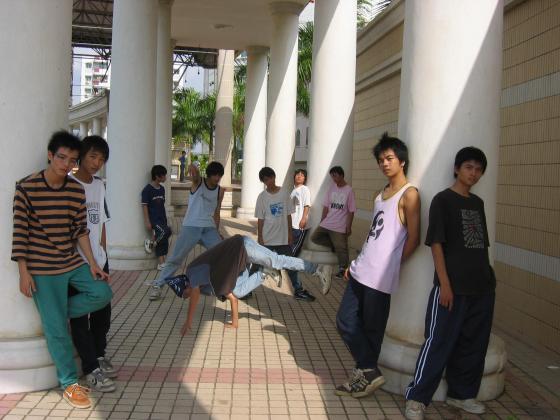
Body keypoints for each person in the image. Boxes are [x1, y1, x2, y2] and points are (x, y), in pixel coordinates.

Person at [12, 131, 112, 409]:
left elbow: (81, 230)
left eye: (71, 160)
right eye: (61, 157)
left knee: (102, 293)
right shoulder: (26, 187)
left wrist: (93, 264)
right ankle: (69, 383)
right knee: (57, 331)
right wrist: (23, 271)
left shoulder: (75, 189)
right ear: (50, 155)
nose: (66, 164)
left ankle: (53, 316)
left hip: (70, 261)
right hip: (42, 267)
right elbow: (20, 233)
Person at [405, 147, 495, 420]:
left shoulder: (478, 203)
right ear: (457, 169)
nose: (473, 173)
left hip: (481, 287)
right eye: (469, 167)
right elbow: (436, 244)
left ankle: (461, 395)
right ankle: (417, 398)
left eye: (478, 169)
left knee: (473, 344)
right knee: (438, 342)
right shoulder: (443, 200)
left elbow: (480, 245)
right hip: (452, 288)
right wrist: (444, 284)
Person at [335, 133, 421, 398]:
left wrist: (391, 263)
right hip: (361, 270)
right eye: (381, 159)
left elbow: (414, 238)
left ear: (402, 161)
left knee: (372, 331)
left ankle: (362, 377)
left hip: (380, 276)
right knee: (345, 321)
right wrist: (356, 262)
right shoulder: (380, 195)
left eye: (389, 158)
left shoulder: (410, 195)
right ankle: (369, 370)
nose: (385, 163)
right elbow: (374, 234)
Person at [161, 235, 332, 332]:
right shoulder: (205, 287)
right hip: (238, 261)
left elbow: (195, 295)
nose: (187, 297)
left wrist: (188, 322)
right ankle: (264, 272)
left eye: (185, 294)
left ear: (186, 285)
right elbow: (232, 297)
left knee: (277, 260)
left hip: (242, 246)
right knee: (238, 291)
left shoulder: (192, 273)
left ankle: (317, 269)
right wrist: (235, 323)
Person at [69, 135, 116, 393]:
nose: (97, 163)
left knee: (102, 313)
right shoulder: (69, 184)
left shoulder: (99, 185)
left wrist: (103, 255)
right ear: (81, 156)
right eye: (93, 156)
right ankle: (90, 369)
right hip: (77, 264)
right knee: (80, 317)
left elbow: (102, 223)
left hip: (99, 261)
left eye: (102, 159)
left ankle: (99, 354)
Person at [149, 161, 225, 300]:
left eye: (219, 175)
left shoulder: (220, 191)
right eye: (215, 175)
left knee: (223, 254)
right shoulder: (199, 182)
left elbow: (217, 212)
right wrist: (193, 166)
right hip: (191, 226)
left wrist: (217, 231)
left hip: (209, 228)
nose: (217, 178)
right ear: (209, 175)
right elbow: (194, 173)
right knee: (176, 258)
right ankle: (158, 286)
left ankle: (222, 287)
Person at [255, 167, 329, 301]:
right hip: (267, 239)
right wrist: (260, 236)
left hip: (283, 239)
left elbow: (288, 215)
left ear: (274, 177)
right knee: (257, 263)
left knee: (291, 266)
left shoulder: (284, 194)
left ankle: (298, 290)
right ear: (263, 182)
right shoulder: (262, 197)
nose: (268, 182)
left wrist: (289, 234)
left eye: (270, 178)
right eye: (265, 180)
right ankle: (245, 290)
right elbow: (260, 219)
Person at [310, 166, 356, 278]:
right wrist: (322, 220)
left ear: (341, 175)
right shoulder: (332, 188)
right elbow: (326, 206)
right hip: (327, 222)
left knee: (342, 248)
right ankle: (334, 245)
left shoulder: (349, 190)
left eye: (335, 176)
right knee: (314, 237)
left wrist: (349, 227)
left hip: (340, 225)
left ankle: (343, 270)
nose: (333, 179)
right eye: (332, 176)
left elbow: (351, 211)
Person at [142, 165, 172, 271]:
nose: (165, 177)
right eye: (164, 175)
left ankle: (152, 243)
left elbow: (162, 205)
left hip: (162, 218)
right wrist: (147, 221)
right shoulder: (147, 190)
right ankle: (161, 262)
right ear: (157, 176)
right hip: (154, 220)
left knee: (167, 233)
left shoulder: (162, 189)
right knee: (164, 233)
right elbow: (144, 206)